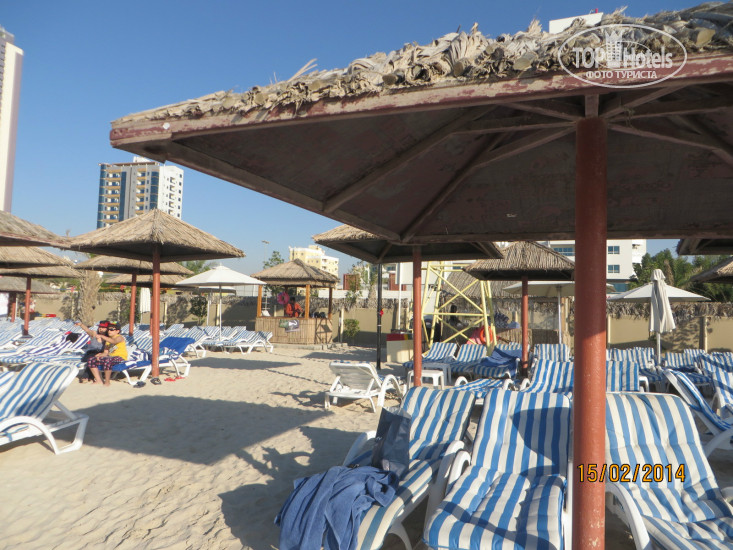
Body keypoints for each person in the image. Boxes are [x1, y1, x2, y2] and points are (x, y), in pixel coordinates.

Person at [78, 321, 128, 386]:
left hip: (120, 357)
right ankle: (99, 380)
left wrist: (101, 336)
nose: (109, 331)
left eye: (112, 329)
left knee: (107, 360)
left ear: (117, 331)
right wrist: (99, 355)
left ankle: (107, 382)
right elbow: (105, 352)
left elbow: (114, 341)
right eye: (108, 329)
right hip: (110, 357)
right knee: (91, 360)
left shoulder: (119, 337)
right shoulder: (108, 340)